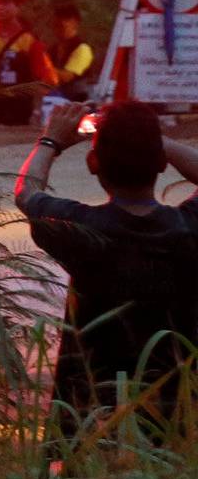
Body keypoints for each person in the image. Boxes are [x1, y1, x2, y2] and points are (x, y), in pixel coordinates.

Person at [16, 100, 198, 426]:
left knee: (89, 475)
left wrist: (50, 141)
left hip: (92, 411)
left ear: (92, 163)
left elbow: (26, 192)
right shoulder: (186, 228)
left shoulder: (80, 228)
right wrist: (148, 137)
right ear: (160, 163)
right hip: (179, 408)